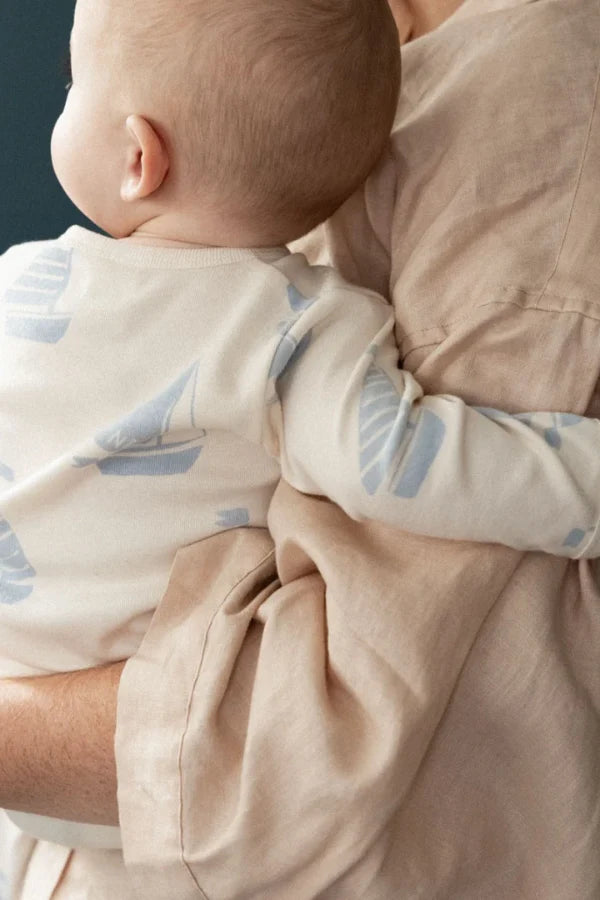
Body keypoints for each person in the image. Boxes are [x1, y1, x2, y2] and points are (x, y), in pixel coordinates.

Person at [2, 0, 599, 895]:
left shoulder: (22, 285)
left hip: (86, 776)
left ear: (138, 157)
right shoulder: (297, 333)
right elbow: (410, 465)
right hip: (92, 771)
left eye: (74, 81)